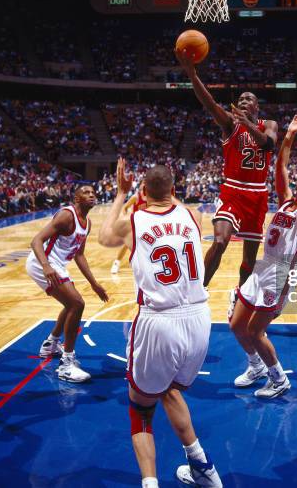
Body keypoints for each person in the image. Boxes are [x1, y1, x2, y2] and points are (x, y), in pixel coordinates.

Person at [99, 159, 222, 488]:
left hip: (159, 321)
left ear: (142, 191)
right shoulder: (193, 216)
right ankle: (203, 470)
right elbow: (169, 201)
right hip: (199, 319)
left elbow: (103, 237)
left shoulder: (134, 221)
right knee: (169, 389)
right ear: (174, 189)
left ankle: (150, 483)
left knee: (140, 410)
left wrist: (121, 193)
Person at [230, 115, 297, 398]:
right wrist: (289, 137)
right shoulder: (286, 204)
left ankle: (278, 379)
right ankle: (256, 366)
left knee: (256, 331)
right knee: (236, 326)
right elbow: (280, 167)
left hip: (280, 275)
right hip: (263, 269)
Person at [176, 50, 278, 296]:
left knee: (250, 259)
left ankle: (240, 295)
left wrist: (249, 124)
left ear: (256, 106)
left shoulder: (270, 125)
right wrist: (192, 74)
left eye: (248, 99)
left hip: (257, 195)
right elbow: (209, 103)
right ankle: (197, 291)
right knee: (220, 241)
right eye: (240, 99)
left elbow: (268, 144)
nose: (243, 102)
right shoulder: (230, 124)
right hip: (232, 190)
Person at [26, 184, 108, 383]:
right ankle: (66, 365)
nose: (92, 195)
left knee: (70, 304)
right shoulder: (66, 215)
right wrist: (46, 266)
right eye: (86, 192)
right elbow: (36, 240)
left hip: (57, 264)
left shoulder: (86, 223)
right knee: (77, 304)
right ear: (76, 198)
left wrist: (94, 284)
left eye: (93, 192)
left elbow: (79, 255)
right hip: (41, 262)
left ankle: (50, 344)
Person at [110, 183, 146, 275]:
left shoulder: (152, 198)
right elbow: (125, 208)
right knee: (127, 244)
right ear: (141, 186)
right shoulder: (135, 197)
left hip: (146, 224)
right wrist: (125, 216)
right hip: (135, 223)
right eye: (143, 184)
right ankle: (116, 263)